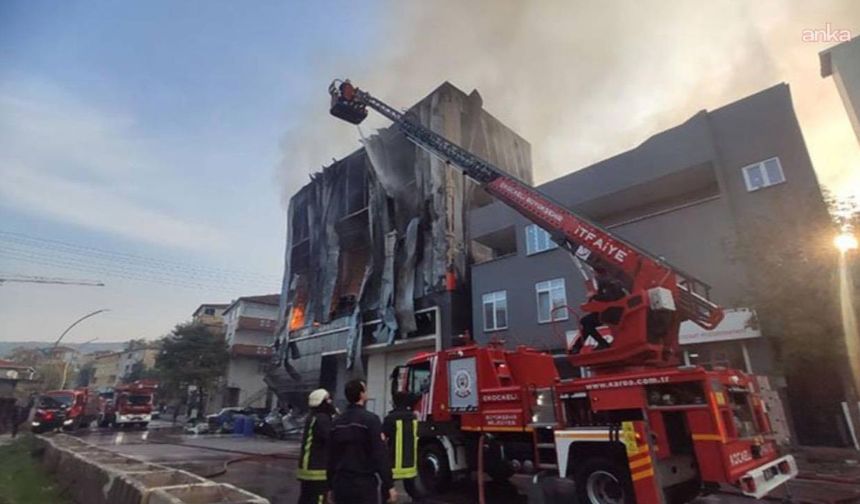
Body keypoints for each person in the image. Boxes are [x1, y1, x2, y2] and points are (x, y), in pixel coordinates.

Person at [327, 379, 396, 504]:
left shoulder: (337, 422)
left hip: (341, 483)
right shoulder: (371, 420)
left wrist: (330, 486)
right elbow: (380, 454)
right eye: (365, 389)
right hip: (364, 484)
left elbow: (332, 456)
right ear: (361, 394)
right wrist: (389, 484)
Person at [572, 265, 628, 354]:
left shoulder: (609, 282)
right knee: (586, 322)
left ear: (597, 272)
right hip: (611, 311)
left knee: (586, 321)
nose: (594, 276)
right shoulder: (610, 281)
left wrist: (593, 296)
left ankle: (600, 344)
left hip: (613, 312)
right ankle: (577, 347)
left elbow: (609, 297)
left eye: (593, 273)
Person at [297, 389, 335, 504]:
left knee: (305, 499)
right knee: (318, 499)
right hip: (317, 469)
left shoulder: (313, 417)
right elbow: (331, 438)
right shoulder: (322, 419)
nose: (330, 401)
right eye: (328, 399)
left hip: (307, 468)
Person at [382, 391, 418, 483]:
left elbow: (382, 437)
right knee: (412, 490)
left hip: (394, 465)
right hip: (410, 465)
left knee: (387, 489)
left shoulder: (390, 418)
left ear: (394, 403)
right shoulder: (413, 417)